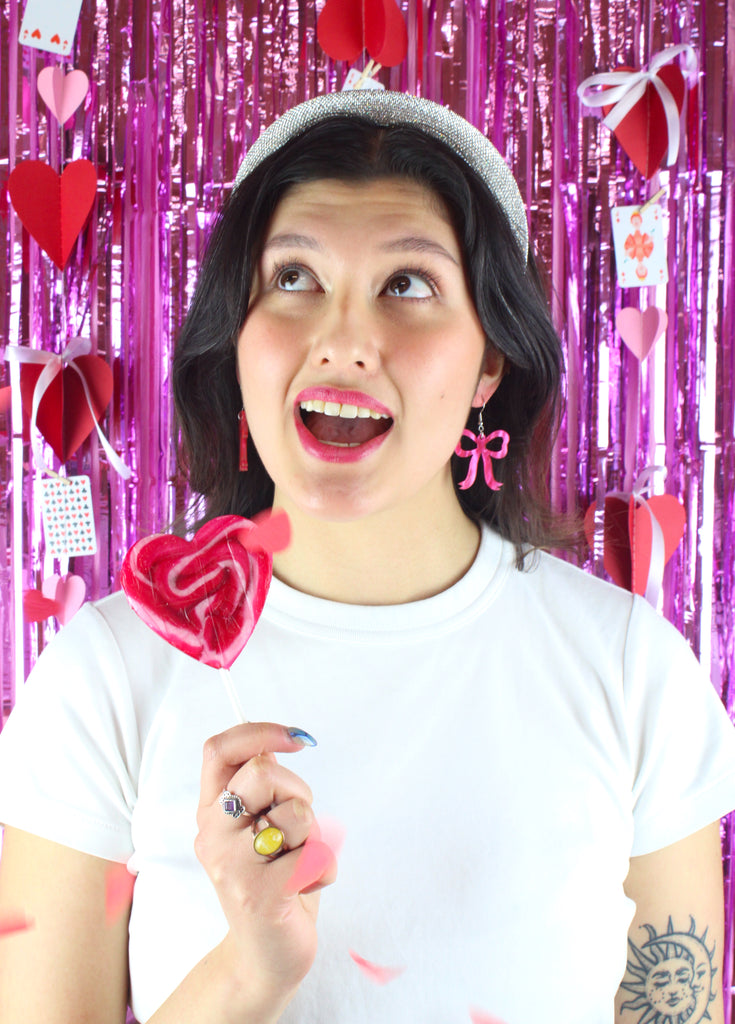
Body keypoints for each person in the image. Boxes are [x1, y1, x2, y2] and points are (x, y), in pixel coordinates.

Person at [1, 89, 734, 1024]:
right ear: (239, 344)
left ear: (487, 366)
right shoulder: (102, 682)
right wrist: (249, 970)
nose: (343, 341)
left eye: (408, 285)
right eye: (294, 278)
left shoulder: (630, 673)